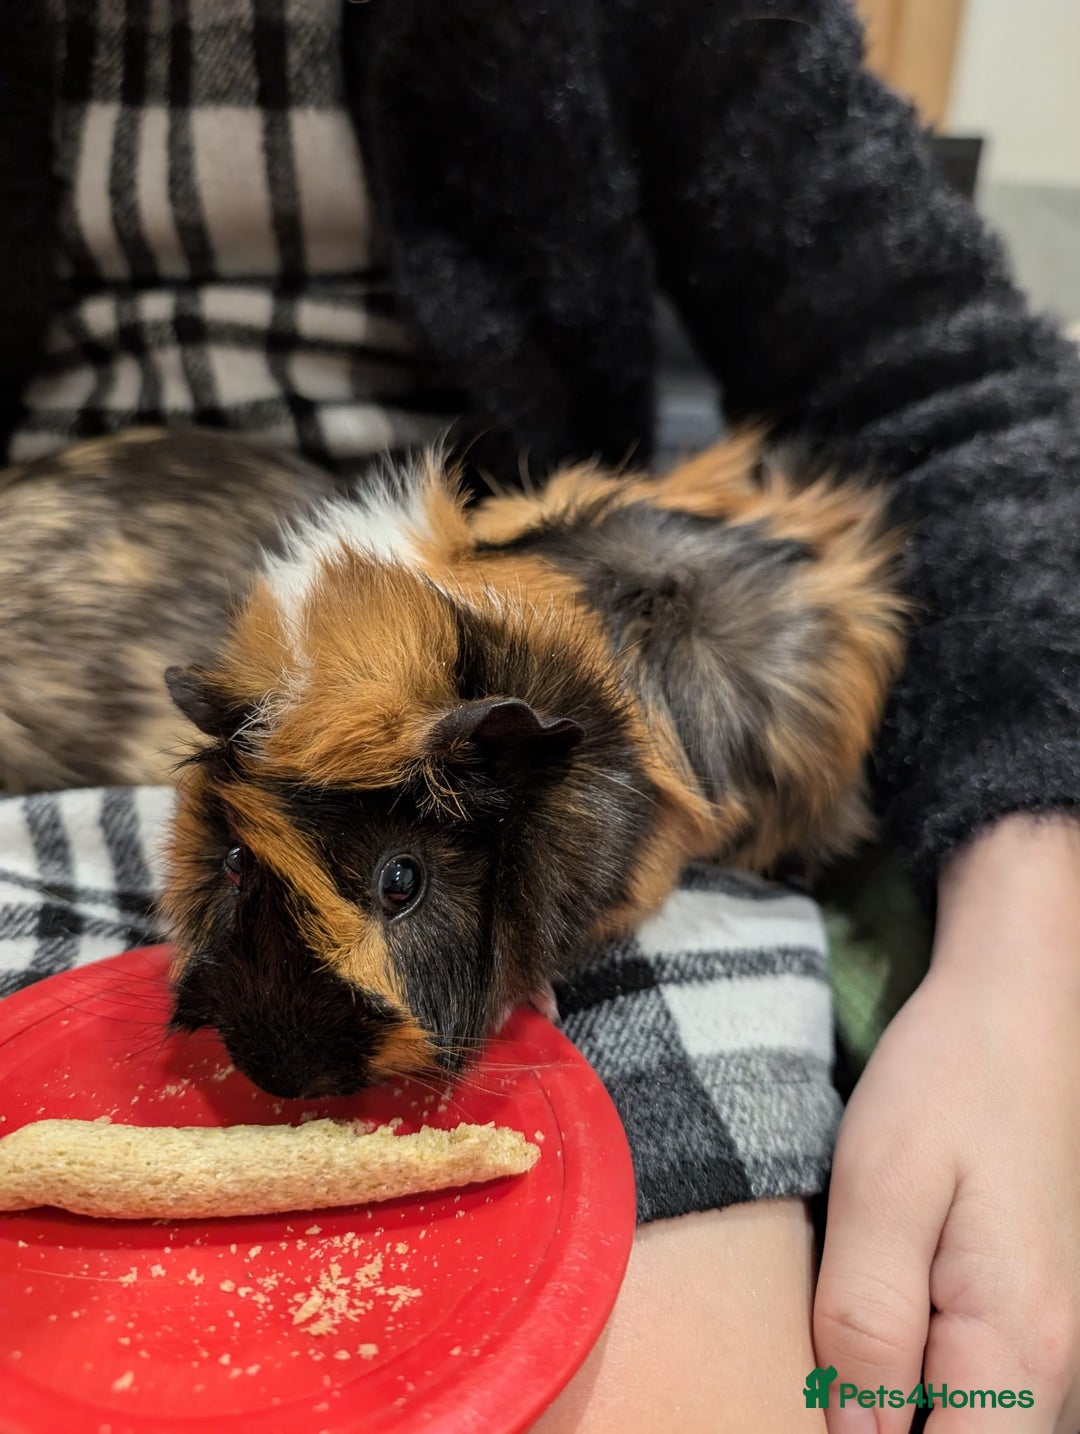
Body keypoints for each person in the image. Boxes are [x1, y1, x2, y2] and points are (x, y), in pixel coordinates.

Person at [1, 3, 1079, 1430]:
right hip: (137, 625)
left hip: (469, 630)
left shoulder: (591, 795)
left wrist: (1030, 970)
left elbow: (945, 377)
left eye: (400, 882)